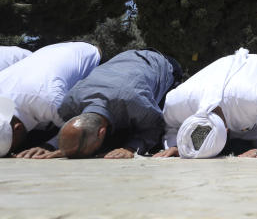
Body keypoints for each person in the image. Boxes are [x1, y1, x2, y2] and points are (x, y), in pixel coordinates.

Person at [18, 48, 180, 159]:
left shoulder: (135, 103)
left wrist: (130, 148)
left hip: (163, 63)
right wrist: (50, 145)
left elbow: (155, 127)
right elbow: (69, 129)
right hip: (124, 60)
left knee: (148, 135)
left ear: (101, 132)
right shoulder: (71, 101)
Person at [153, 48, 257, 159]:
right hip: (231, 80)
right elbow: (171, 126)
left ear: (226, 131)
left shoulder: (253, 97)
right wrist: (177, 145)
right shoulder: (176, 102)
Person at [0, 42, 100, 157]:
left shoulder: (50, 101)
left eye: (12, 147)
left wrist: (50, 146)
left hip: (91, 58)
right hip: (53, 51)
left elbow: (81, 128)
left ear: (18, 128)